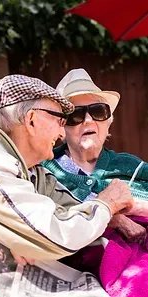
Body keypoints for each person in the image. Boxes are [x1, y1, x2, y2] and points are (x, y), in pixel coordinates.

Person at [0, 74, 133, 296]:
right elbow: (58, 233)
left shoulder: (28, 166)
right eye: (61, 121)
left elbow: (67, 204)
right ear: (32, 120)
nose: (61, 134)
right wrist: (106, 203)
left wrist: (113, 218)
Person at [43, 68, 148, 243]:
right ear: (60, 128)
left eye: (98, 111)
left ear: (108, 123)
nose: (89, 120)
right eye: (76, 115)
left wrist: (136, 207)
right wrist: (111, 215)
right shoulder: (43, 167)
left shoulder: (130, 165)